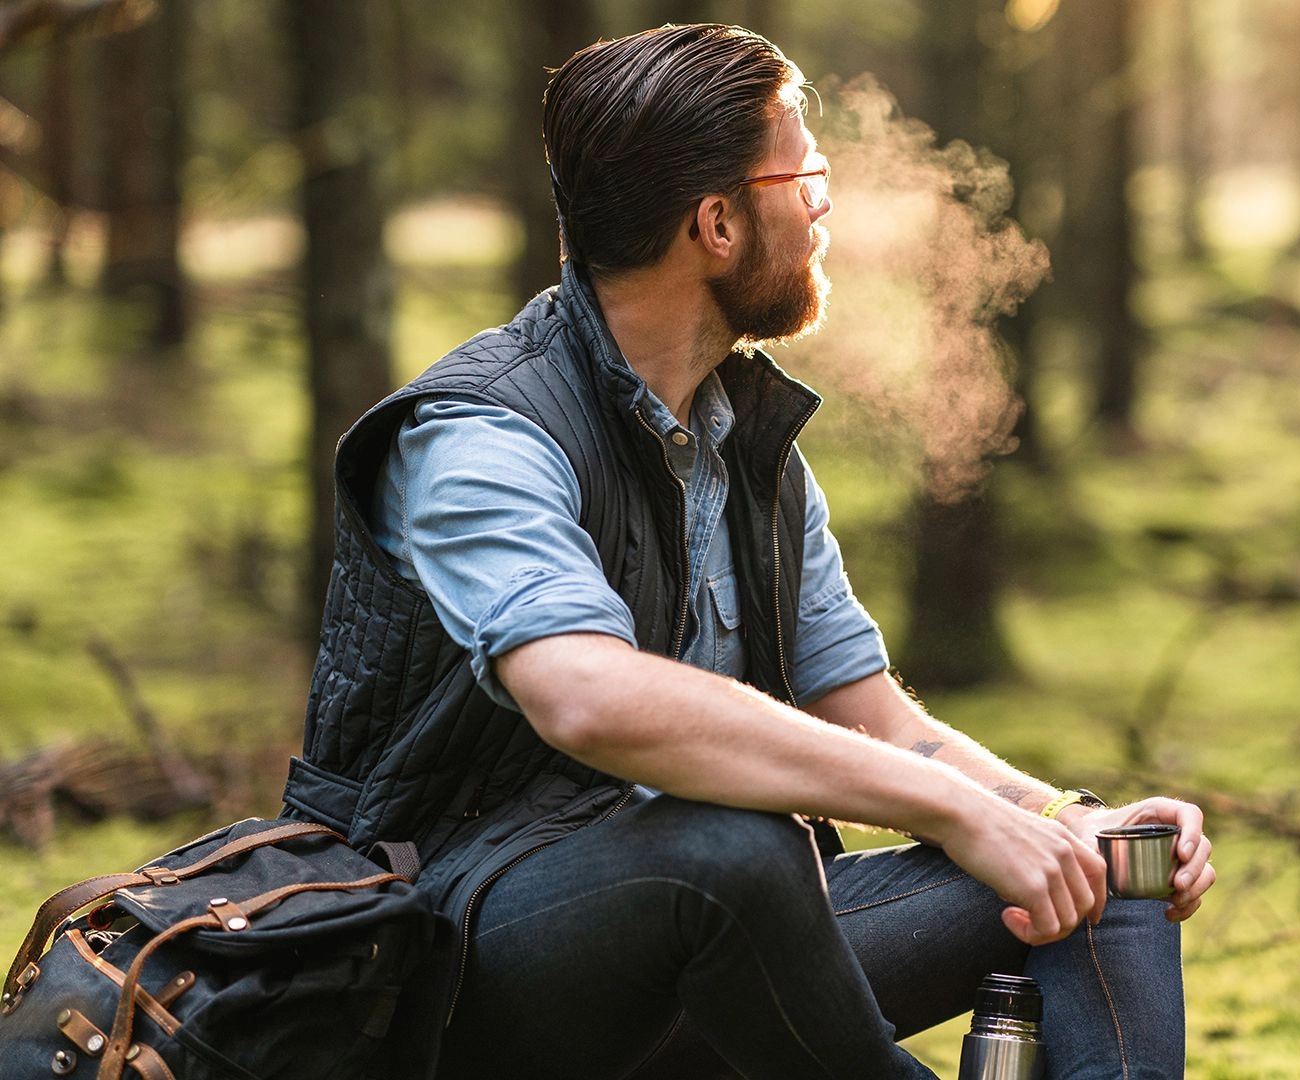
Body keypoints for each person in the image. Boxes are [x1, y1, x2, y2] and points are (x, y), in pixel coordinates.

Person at [283, 23, 1215, 1079]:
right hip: (460, 975)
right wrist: (954, 813)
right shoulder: (478, 438)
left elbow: (872, 715)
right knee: (731, 851)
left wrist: (1055, 815)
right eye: (804, 174)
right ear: (717, 224)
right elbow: (583, 695)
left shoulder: (746, 440)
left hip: (736, 945)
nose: (824, 202)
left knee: (1101, 873)